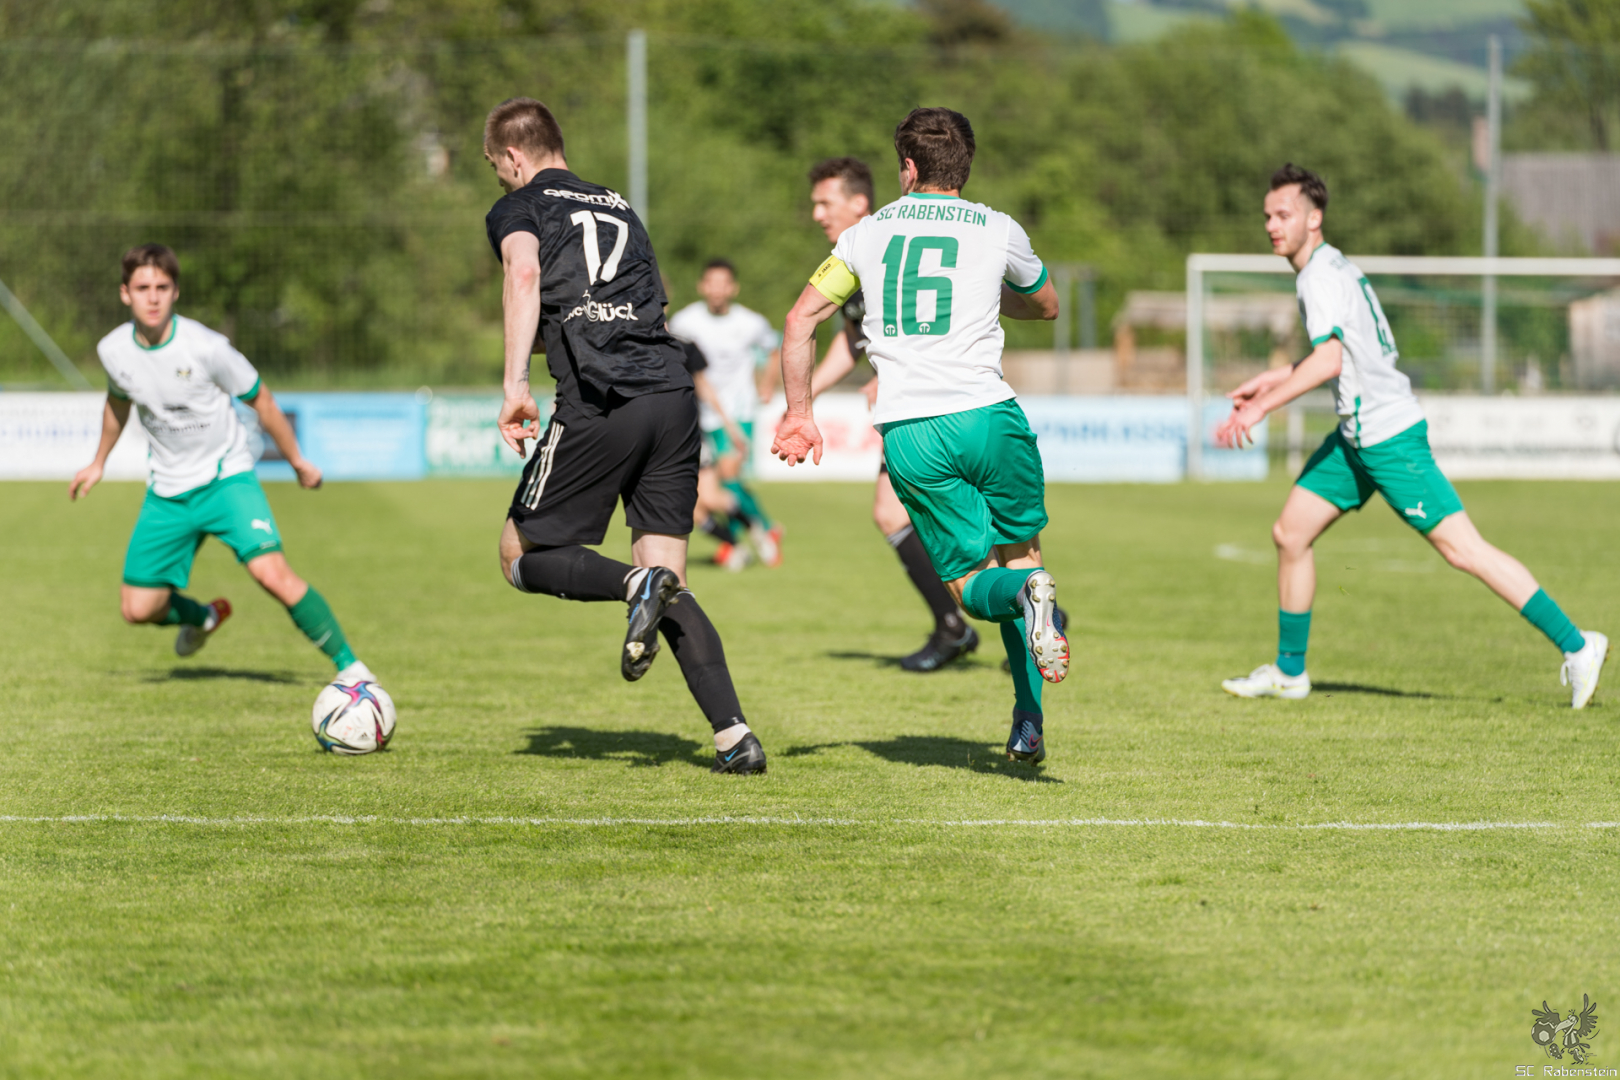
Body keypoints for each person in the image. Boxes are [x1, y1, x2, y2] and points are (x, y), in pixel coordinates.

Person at [1214, 163, 1608, 707]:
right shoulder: (1333, 266)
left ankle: (1578, 644)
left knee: (1464, 550)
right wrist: (1272, 379)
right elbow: (1348, 354)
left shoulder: (1317, 277)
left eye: (1283, 215)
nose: (1271, 226)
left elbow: (1330, 360)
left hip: (1388, 439)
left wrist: (1261, 407)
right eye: (1267, 216)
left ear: (1314, 217)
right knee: (1291, 533)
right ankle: (1289, 672)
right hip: (1356, 439)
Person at [773, 108, 1067, 764]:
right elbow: (1047, 305)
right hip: (992, 417)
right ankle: (1028, 719)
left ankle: (1022, 615)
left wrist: (799, 412)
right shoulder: (999, 227)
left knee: (971, 585)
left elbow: (800, 321)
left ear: (907, 168)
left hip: (912, 431)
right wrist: (987, 295)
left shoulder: (865, 235)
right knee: (1024, 558)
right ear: (965, 166)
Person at [483, 96, 765, 774]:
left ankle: (634, 584)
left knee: (518, 553)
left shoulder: (521, 206)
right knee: (673, 581)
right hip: (672, 394)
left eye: (496, 166)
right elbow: (653, 298)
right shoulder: (620, 205)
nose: (500, 178)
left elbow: (524, 273)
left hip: (603, 397)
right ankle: (735, 738)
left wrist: (515, 383)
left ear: (513, 156)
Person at [69, 244, 373, 684]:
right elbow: (117, 404)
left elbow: (262, 400)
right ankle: (204, 617)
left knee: (272, 575)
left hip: (225, 479)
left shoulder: (207, 347)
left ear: (176, 292)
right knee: (137, 608)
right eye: (142, 288)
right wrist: (98, 462)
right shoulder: (113, 350)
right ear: (124, 293)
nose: (152, 297)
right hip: (167, 492)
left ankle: (354, 671)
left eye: (162, 287)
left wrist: (297, 461)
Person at [798, 156, 980, 672]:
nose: (816, 214)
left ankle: (986, 619)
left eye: (825, 203)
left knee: (927, 518)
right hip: (920, 405)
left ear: (859, 202)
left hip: (941, 403)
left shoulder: (888, 246)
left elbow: (938, 319)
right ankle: (1007, 614)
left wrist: (897, 372)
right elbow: (852, 341)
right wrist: (802, 396)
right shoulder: (856, 253)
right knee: (917, 517)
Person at [668, 260, 785, 568]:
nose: (717, 290)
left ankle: (743, 538)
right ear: (702, 286)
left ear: (734, 288)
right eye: (711, 283)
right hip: (697, 412)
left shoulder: (750, 322)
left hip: (737, 410)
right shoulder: (684, 321)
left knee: (729, 474)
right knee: (711, 489)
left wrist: (767, 384)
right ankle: (759, 530)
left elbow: (773, 350)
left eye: (724, 284)